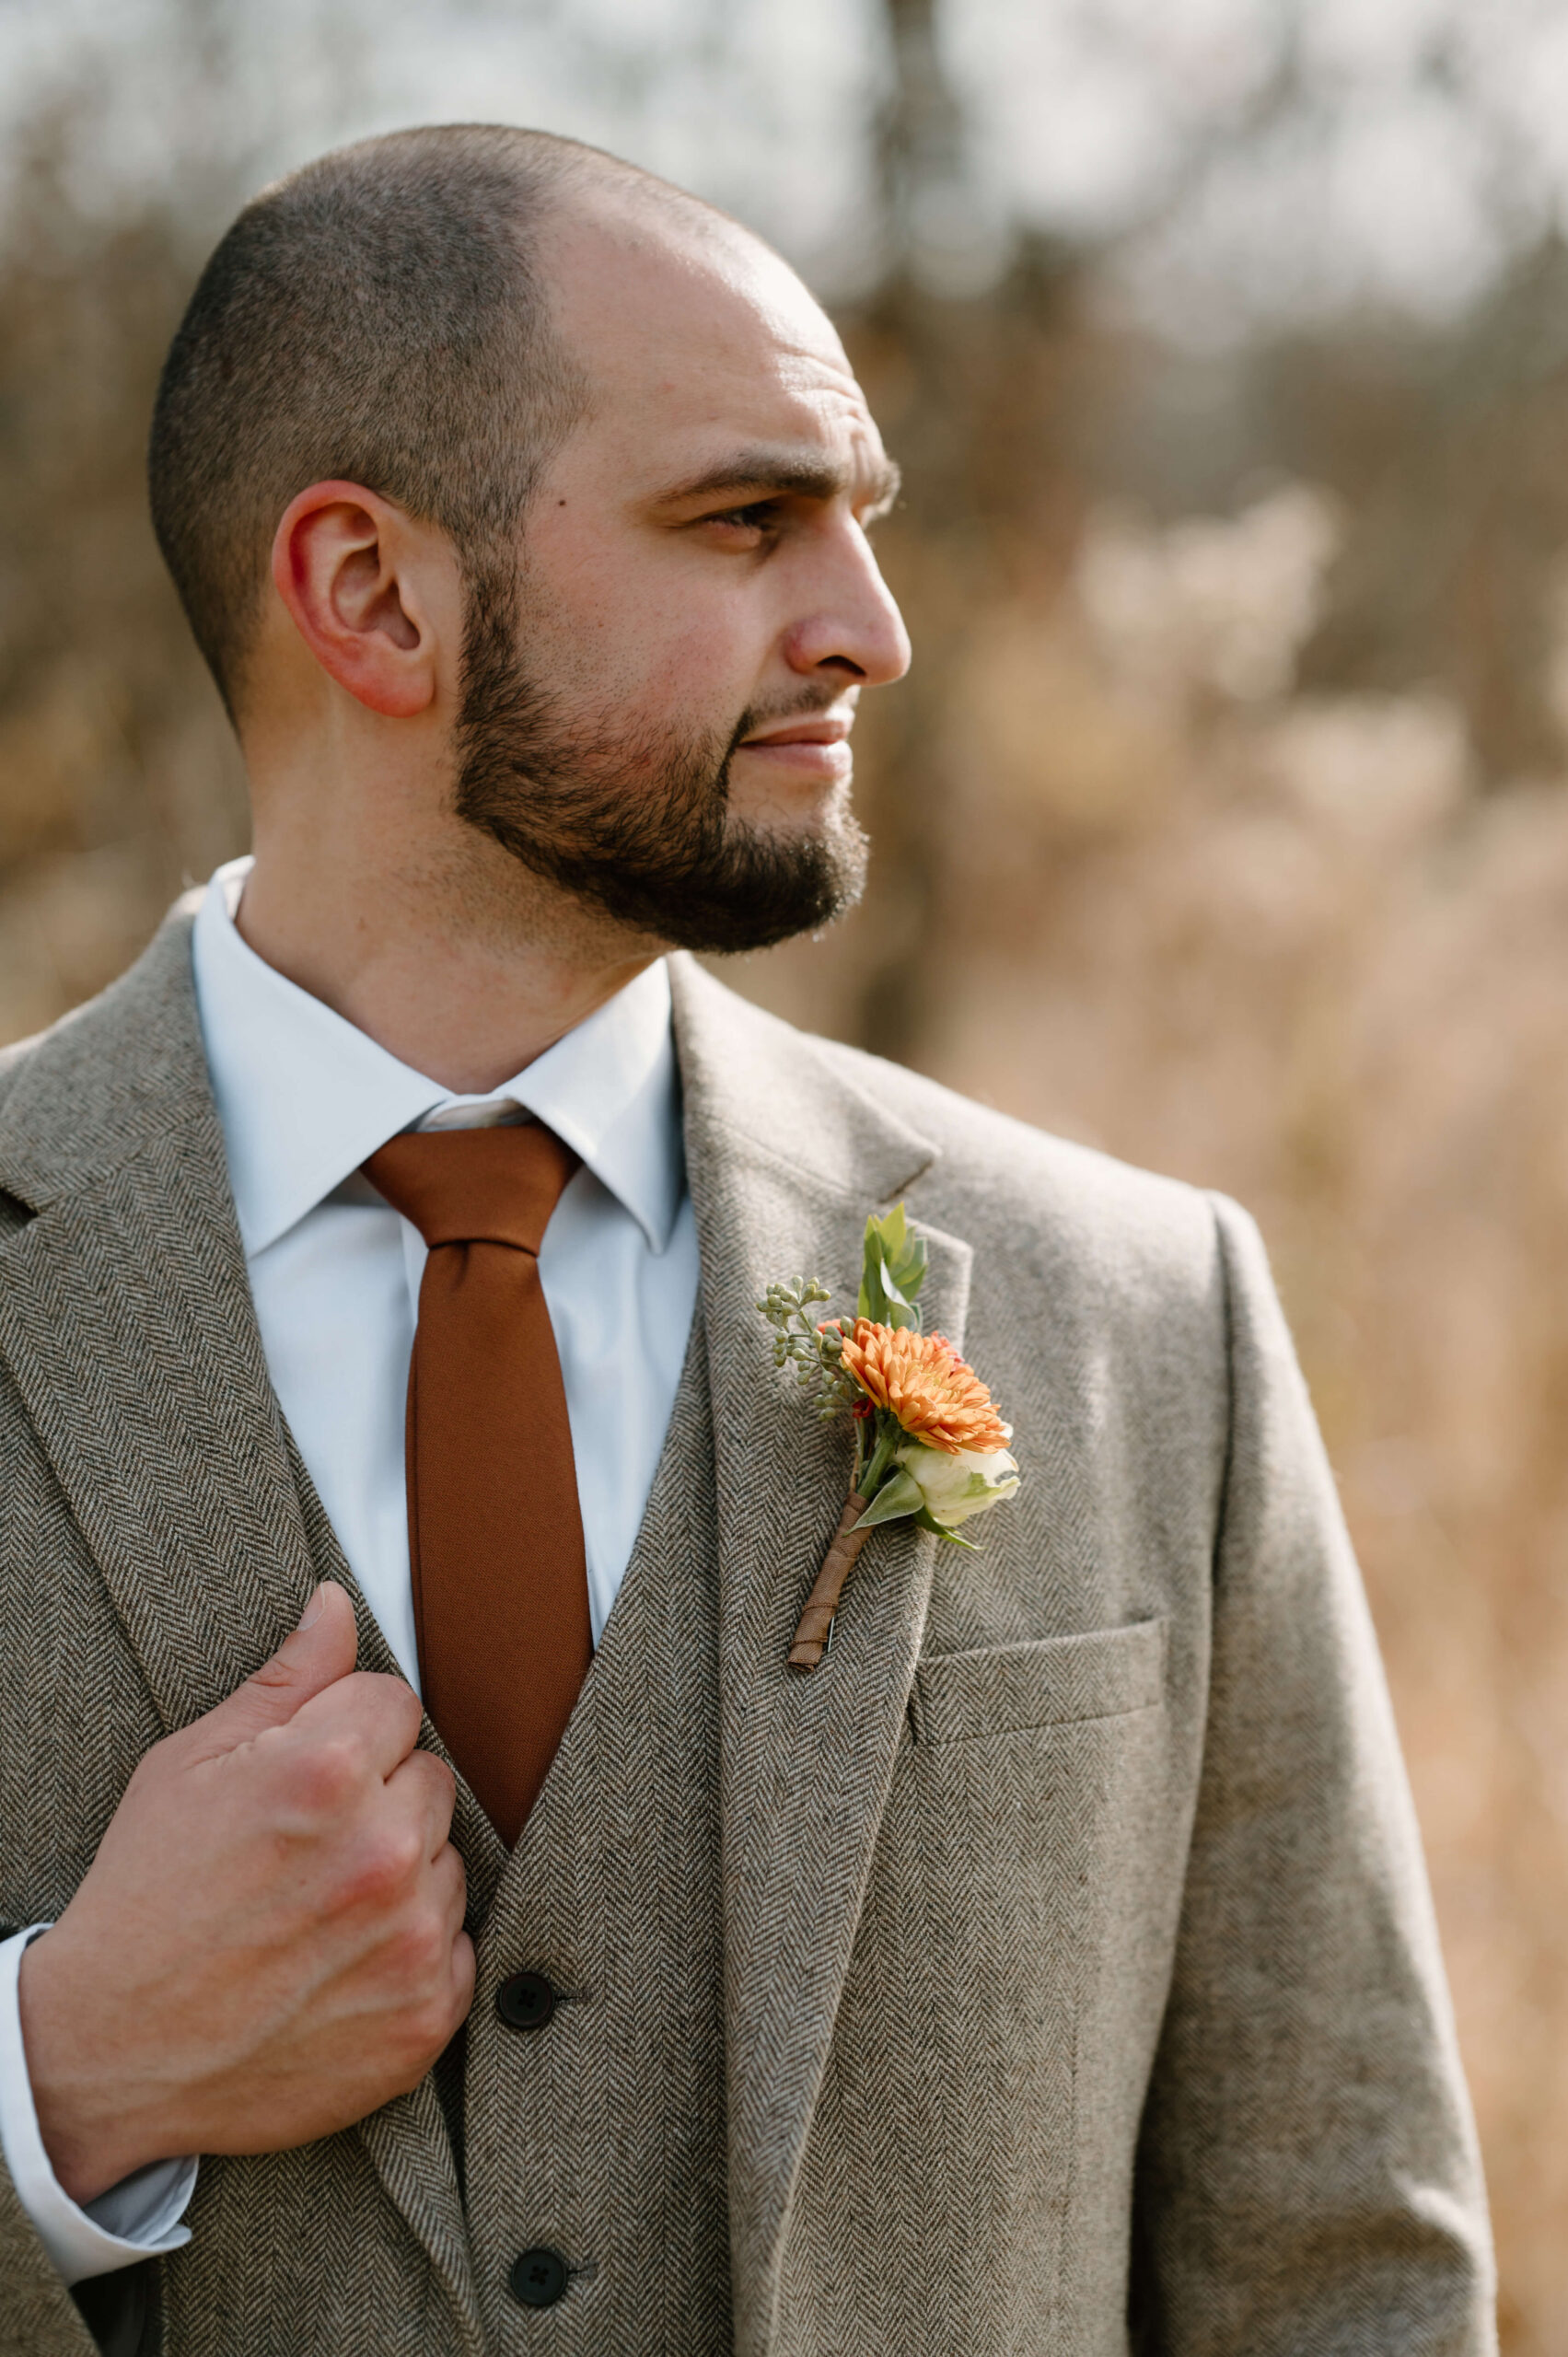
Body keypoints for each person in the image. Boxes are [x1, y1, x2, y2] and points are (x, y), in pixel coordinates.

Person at [0, 124, 1493, 2357]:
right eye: (743, 518)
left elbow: (1341, 2277)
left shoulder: (1140, 1322)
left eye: (862, 525)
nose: (869, 629)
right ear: (375, 594)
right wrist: (59, 2078)